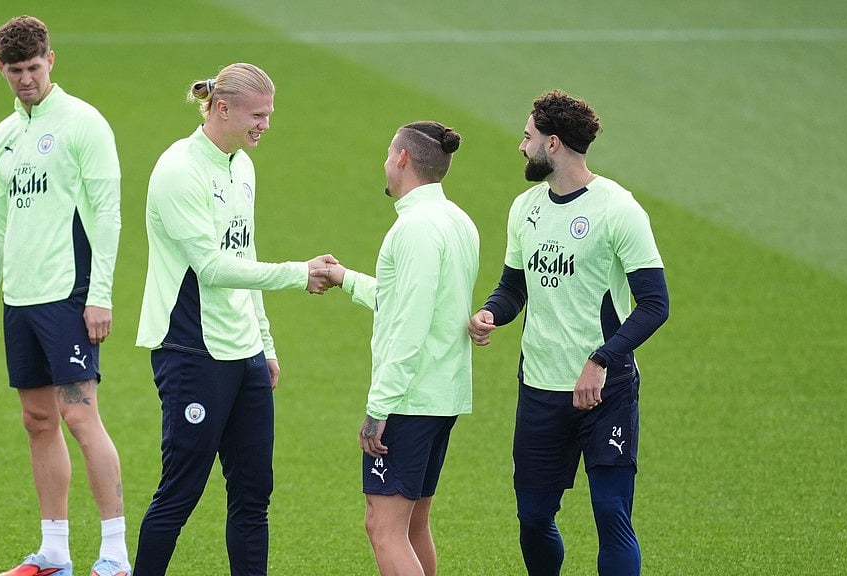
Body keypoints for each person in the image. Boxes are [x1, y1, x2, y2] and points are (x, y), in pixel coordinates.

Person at [133, 62, 337, 576]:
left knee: (253, 495)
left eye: (268, 115)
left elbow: (243, 257)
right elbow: (212, 266)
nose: (265, 125)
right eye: (257, 115)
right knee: (180, 491)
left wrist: (264, 345)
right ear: (222, 109)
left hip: (243, 355)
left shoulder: (242, 166)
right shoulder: (179, 170)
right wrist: (298, 273)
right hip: (191, 350)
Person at [468, 90, 670, 575]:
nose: (521, 146)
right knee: (534, 517)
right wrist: (491, 313)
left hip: (606, 389)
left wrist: (601, 359)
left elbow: (655, 304)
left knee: (611, 512)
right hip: (540, 387)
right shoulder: (525, 209)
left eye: (527, 136)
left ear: (552, 144)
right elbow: (514, 288)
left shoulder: (618, 210)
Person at [0, 15, 131, 576]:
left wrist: (100, 294)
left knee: (81, 417)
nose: (26, 79)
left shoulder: (84, 124)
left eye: (34, 68)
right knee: (38, 420)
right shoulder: (3, 136)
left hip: (70, 292)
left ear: (51, 60)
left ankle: (113, 553)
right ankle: (54, 551)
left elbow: (107, 215)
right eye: (15, 71)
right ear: (1, 70)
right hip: (22, 298)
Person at [317, 121, 480, 576]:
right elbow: (406, 299)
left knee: (383, 527)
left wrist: (378, 407)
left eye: (390, 155)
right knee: (413, 526)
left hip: (409, 399)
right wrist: (346, 279)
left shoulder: (415, 229)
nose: (386, 164)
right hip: (442, 395)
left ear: (403, 158)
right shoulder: (457, 221)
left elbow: (410, 323)